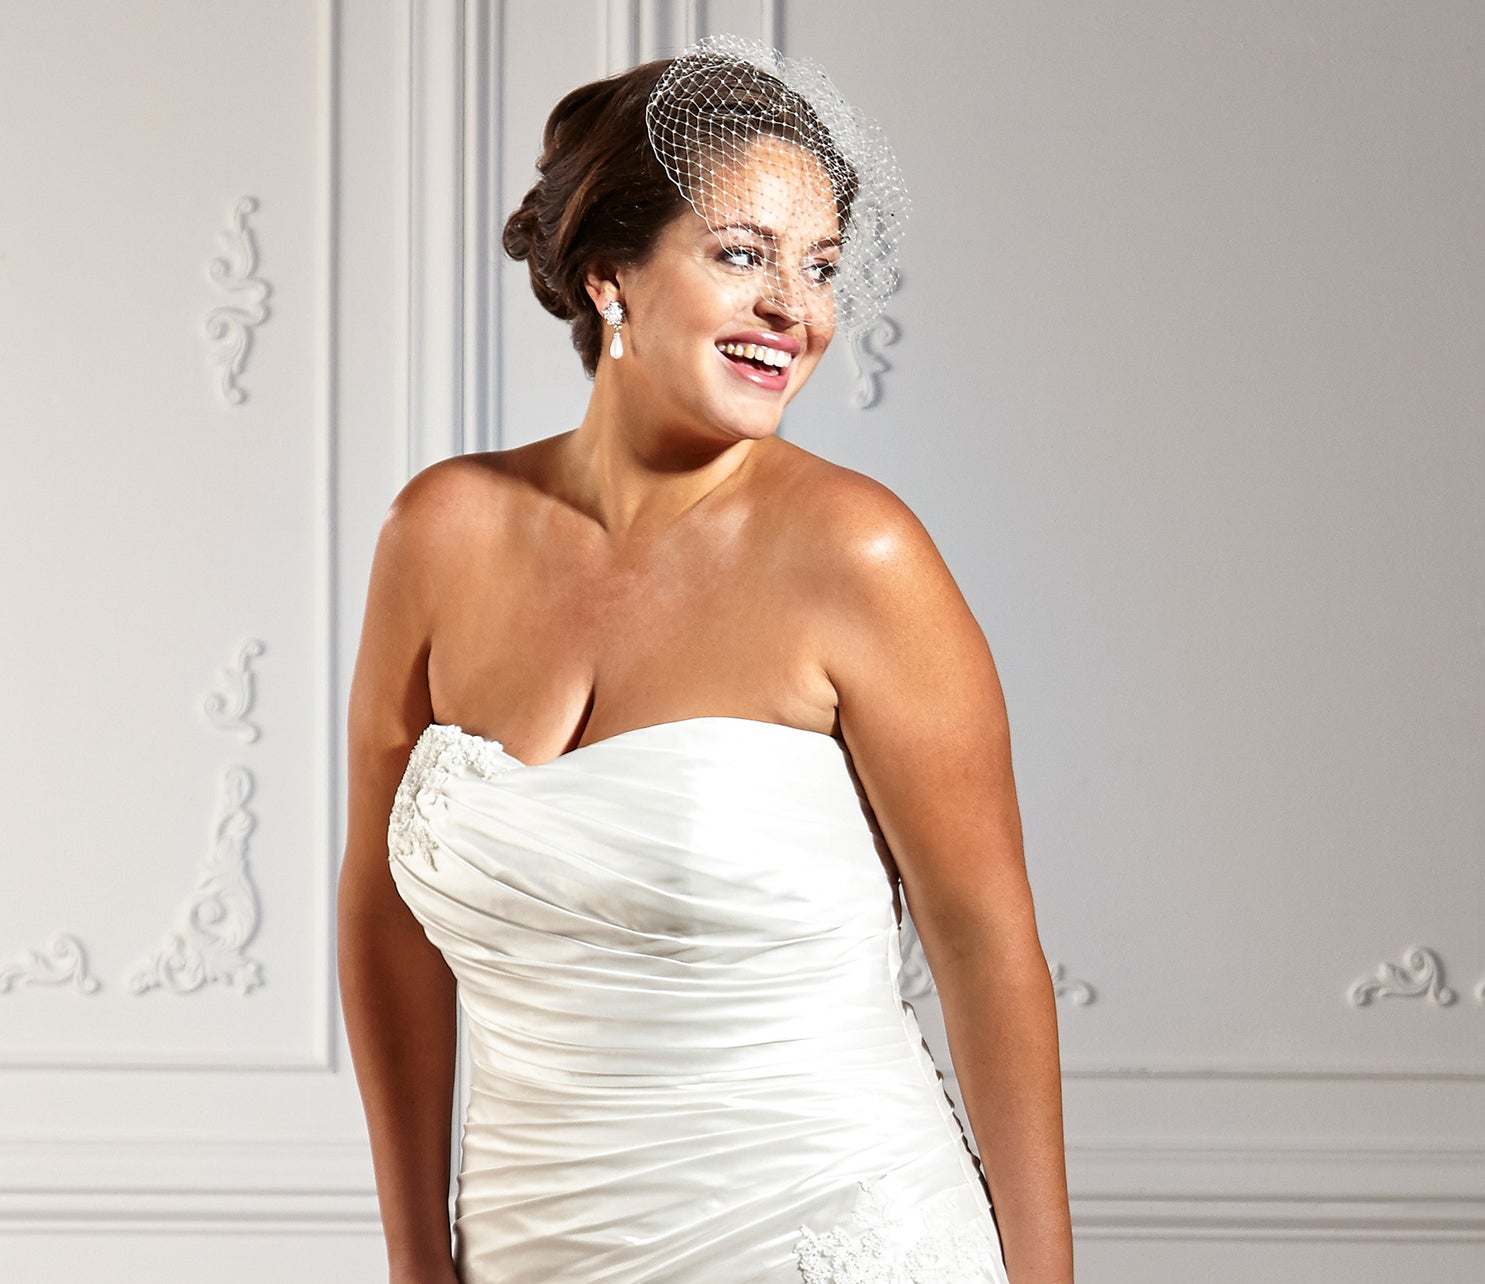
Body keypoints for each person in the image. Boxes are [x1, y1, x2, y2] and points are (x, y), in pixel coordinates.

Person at [336, 35, 1073, 1283]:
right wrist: (416, 1258)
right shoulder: (438, 531)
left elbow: (982, 939)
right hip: (531, 1245)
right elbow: (382, 919)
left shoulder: (860, 553)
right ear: (609, 274)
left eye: (821, 266)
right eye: (744, 256)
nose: (798, 308)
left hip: (834, 1229)